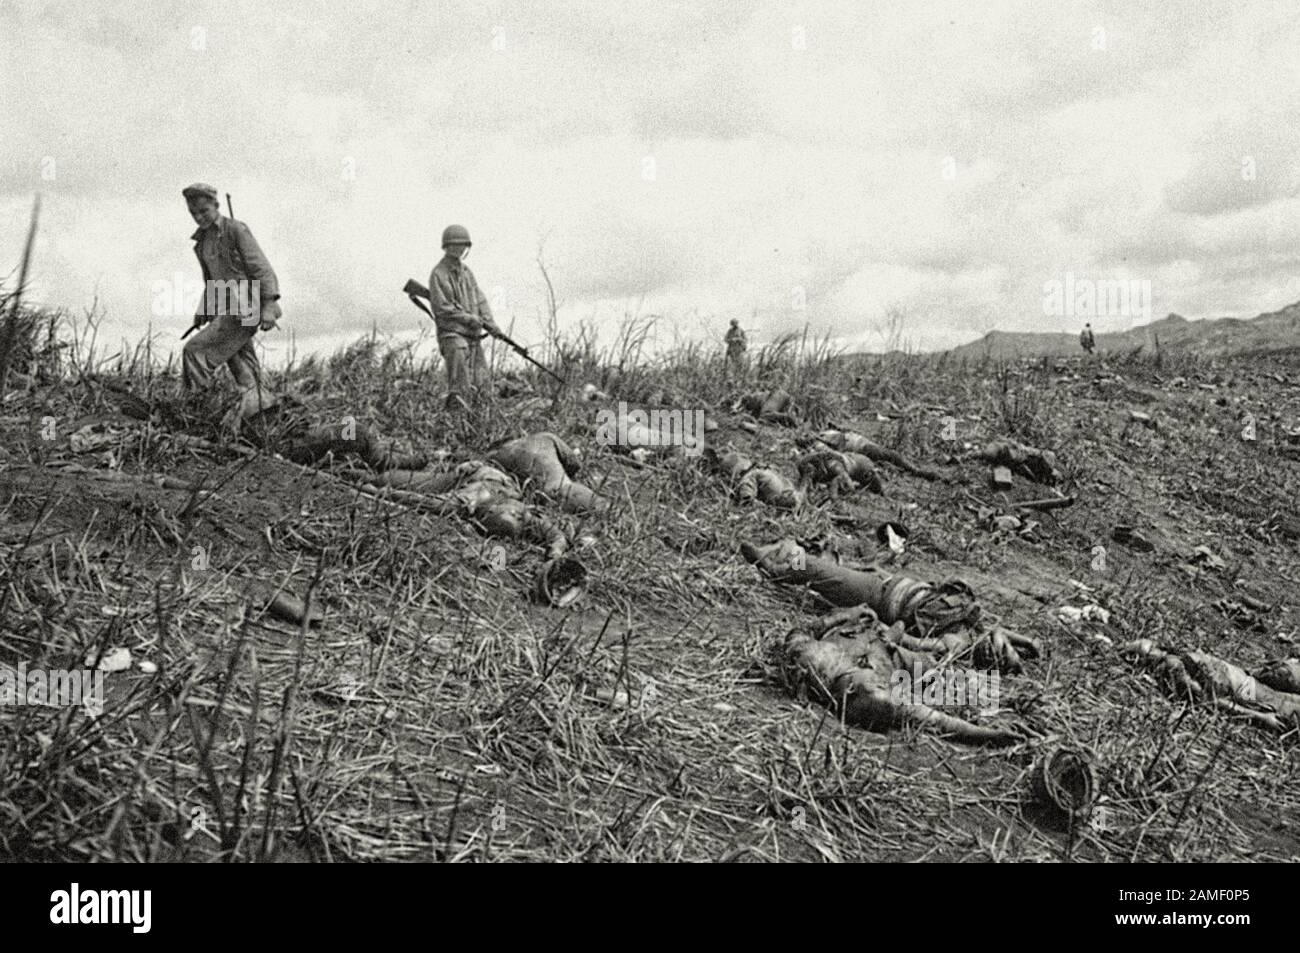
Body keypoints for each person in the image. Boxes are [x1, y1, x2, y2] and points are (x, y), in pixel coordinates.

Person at [180, 183, 281, 393]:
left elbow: (261, 267)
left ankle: (197, 409)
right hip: (226, 308)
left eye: (204, 211)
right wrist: (204, 309)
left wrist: (269, 305)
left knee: (195, 351)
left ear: (216, 205)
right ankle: (261, 408)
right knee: (240, 362)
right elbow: (211, 282)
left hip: (246, 303)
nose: (199, 217)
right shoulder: (201, 243)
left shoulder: (235, 229)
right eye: (193, 213)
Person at [428, 224, 499, 411]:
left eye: (462, 245)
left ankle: (481, 420)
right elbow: (443, 309)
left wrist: (491, 324)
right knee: (461, 386)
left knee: (483, 383)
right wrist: (469, 319)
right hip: (452, 335)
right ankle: (457, 422)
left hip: (473, 335)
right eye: (454, 245)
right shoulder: (438, 274)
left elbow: (480, 299)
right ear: (446, 247)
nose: (458, 249)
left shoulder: (467, 273)